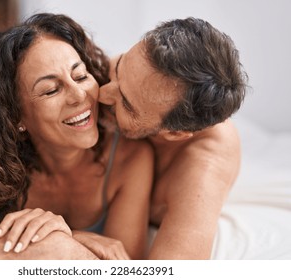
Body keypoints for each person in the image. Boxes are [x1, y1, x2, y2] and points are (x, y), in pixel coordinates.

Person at [0, 13, 154, 260]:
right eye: (50, 90)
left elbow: (124, 265)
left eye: (80, 76)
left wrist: (66, 241)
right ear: (16, 117)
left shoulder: (130, 157)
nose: (80, 95)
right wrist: (64, 241)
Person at [98, 17, 248, 259]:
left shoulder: (203, 166)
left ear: (175, 133)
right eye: (119, 67)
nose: (101, 93)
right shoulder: (128, 77)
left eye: (126, 104)